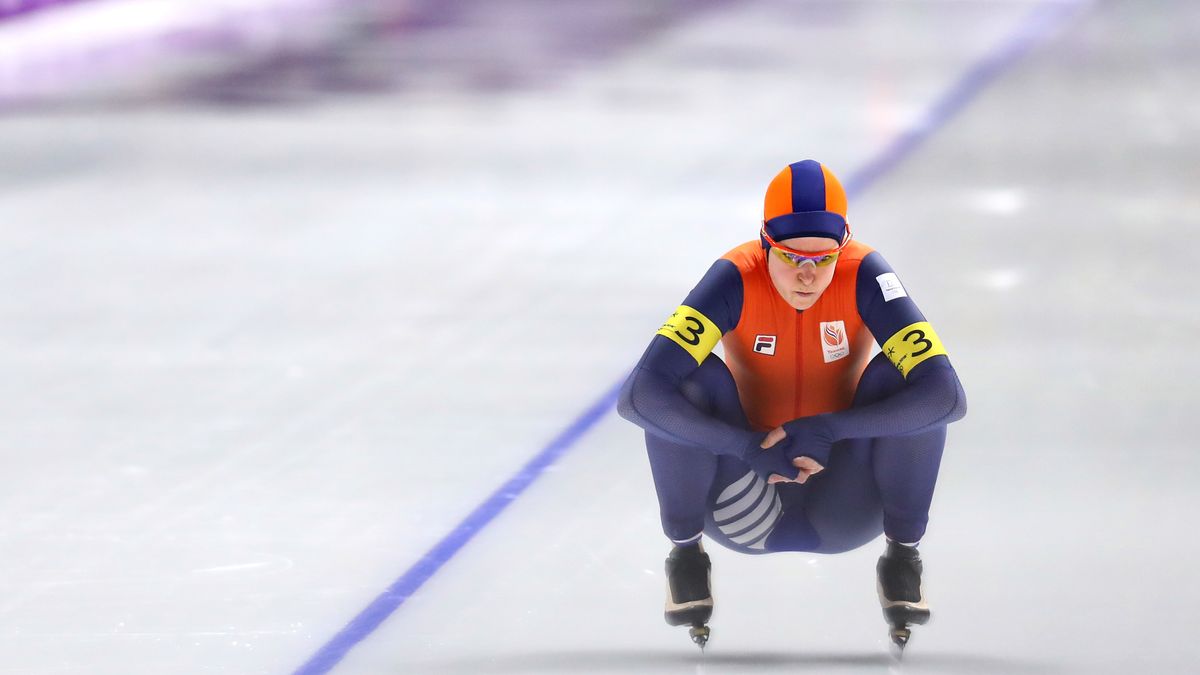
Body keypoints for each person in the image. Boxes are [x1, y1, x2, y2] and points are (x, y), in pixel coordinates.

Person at [617, 159, 967, 650]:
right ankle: (686, 551)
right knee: (692, 376)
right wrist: (742, 445)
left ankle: (904, 552)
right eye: (790, 257)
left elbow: (946, 396)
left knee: (900, 375)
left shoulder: (866, 274)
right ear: (764, 244)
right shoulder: (735, 277)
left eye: (823, 260)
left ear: (842, 248)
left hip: (846, 502)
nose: (807, 275)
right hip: (745, 500)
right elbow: (639, 395)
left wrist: (831, 429)